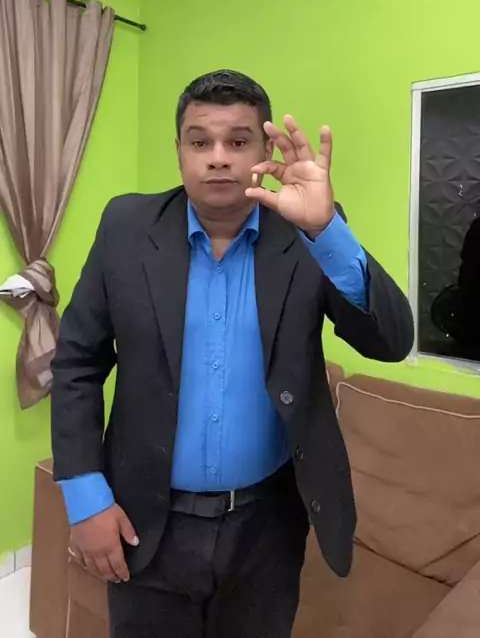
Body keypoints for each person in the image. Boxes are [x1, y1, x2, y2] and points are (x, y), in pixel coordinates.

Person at [51, 69, 414, 638]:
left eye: (238, 141)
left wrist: (326, 230)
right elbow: (77, 362)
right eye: (200, 141)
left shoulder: (306, 231)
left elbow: (391, 342)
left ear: (265, 152)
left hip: (267, 527)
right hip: (145, 519)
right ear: (178, 151)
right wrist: (85, 497)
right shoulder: (125, 227)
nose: (218, 158)